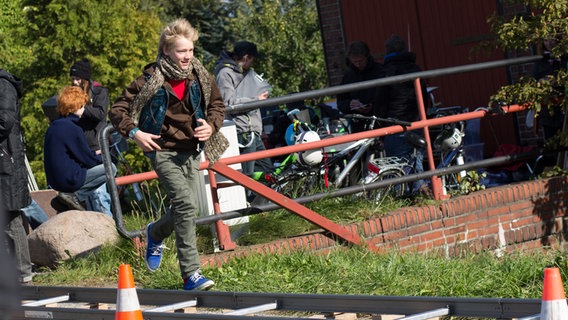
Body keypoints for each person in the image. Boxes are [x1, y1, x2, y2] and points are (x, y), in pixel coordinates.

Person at [109, 18, 225, 291]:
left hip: (191, 151)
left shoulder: (200, 75)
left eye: (191, 50)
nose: (187, 57)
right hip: (162, 151)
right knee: (185, 205)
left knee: (186, 208)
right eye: (181, 51)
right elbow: (117, 110)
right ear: (166, 51)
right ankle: (191, 274)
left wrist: (212, 125)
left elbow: (217, 106)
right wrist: (134, 133)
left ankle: (154, 232)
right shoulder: (150, 79)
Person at [44, 86, 115, 216]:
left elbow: (73, 154)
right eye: (82, 106)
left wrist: (93, 155)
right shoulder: (73, 128)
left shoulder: (54, 126)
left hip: (54, 181)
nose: (84, 110)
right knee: (111, 168)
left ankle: (66, 199)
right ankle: (73, 196)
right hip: (68, 180)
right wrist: (102, 157)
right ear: (75, 107)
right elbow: (87, 160)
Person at [214, 41, 274, 177]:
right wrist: (256, 99)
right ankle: (248, 198)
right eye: (252, 60)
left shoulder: (241, 72)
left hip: (252, 131)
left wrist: (260, 130)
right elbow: (228, 104)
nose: (253, 63)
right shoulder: (225, 74)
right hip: (243, 133)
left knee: (269, 172)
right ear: (246, 57)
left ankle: (267, 198)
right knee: (247, 177)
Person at [379, 34, 428, 193]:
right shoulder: (415, 69)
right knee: (415, 157)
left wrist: (381, 125)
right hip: (415, 120)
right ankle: (419, 189)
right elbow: (424, 97)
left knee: (397, 163)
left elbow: (382, 102)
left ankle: (401, 194)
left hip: (394, 122)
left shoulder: (386, 72)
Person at [0, 68, 34, 284]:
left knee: (10, 218)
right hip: (5, 159)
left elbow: (6, 119)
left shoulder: (3, 84)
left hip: (7, 161)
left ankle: (23, 273)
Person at [69, 58, 114, 215]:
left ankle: (110, 233)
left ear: (85, 78)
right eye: (73, 79)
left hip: (97, 148)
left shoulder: (100, 91)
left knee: (98, 193)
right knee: (86, 194)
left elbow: (101, 113)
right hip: (80, 149)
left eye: (77, 78)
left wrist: (82, 111)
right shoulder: (71, 93)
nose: (74, 82)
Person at [336, 41, 386, 133]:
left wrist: (373, 105)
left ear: (367, 57)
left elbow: (387, 96)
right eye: (355, 62)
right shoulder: (348, 76)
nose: (358, 64)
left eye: (361, 61)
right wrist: (350, 104)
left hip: (380, 121)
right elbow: (340, 102)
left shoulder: (380, 71)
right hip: (358, 124)